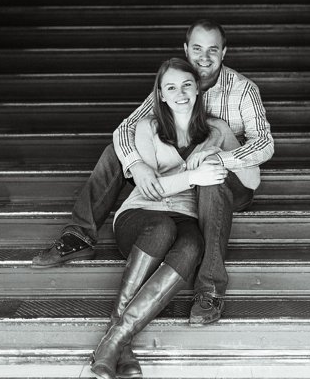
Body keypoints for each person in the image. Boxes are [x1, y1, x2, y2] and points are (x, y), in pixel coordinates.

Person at [33, 19, 274, 326]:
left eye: (213, 49)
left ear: (224, 52)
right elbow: (127, 129)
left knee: (211, 181)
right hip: (180, 183)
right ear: (186, 50)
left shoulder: (242, 91)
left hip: (228, 181)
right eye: (197, 48)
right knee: (116, 153)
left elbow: (264, 143)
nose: (204, 56)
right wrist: (137, 165)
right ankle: (80, 234)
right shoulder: (176, 83)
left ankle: (210, 288)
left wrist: (220, 158)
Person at [90, 58, 259, 379]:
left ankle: (114, 342)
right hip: (140, 218)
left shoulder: (218, 130)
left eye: (186, 85)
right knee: (163, 228)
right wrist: (195, 175)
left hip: (186, 219)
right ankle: (115, 340)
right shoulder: (148, 128)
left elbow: (252, 180)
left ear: (197, 89)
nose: (179, 92)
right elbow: (149, 189)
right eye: (170, 87)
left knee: (194, 244)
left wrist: (219, 154)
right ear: (161, 95)